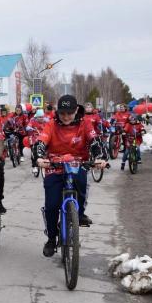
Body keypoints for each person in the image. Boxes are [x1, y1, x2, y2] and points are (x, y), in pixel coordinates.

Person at [32, 95, 107, 257]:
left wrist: (100, 157)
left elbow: (95, 141)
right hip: (55, 166)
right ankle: (51, 238)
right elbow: (41, 142)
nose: (66, 117)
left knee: (82, 186)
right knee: (51, 205)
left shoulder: (85, 123)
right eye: (62, 113)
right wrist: (39, 157)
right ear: (57, 112)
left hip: (78, 164)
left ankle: (78, 214)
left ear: (76, 111)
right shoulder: (51, 124)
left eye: (69, 113)